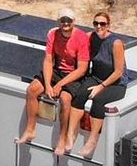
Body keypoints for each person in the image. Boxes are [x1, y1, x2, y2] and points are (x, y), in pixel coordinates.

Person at [18, 8, 90, 147]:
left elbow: (82, 69)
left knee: (65, 98)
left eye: (69, 20)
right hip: (57, 71)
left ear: (74, 22)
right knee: (32, 89)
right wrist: (48, 85)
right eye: (62, 20)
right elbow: (48, 61)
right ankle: (30, 129)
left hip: (73, 75)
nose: (65, 23)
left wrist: (59, 85)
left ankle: (62, 137)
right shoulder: (53, 34)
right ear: (58, 21)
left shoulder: (81, 38)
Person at [60, 11, 128, 158]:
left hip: (115, 83)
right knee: (79, 94)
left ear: (109, 25)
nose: (99, 26)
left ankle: (92, 140)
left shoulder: (116, 43)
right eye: (96, 23)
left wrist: (101, 87)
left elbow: (118, 72)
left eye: (102, 23)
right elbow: (77, 37)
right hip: (96, 77)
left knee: (98, 100)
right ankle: (71, 134)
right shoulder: (92, 37)